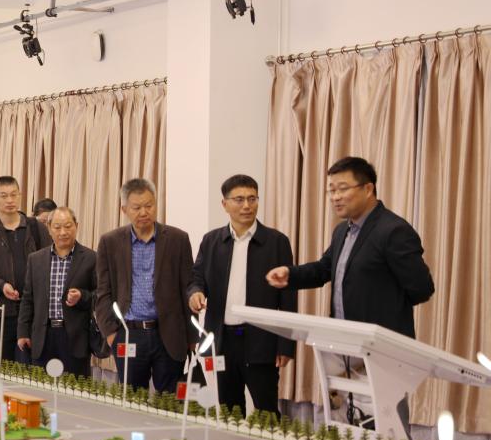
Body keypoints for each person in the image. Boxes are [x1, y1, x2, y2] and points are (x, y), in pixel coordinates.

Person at [265, 156, 434, 337]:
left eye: (343, 189)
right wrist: (290, 274)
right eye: (332, 190)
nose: (335, 197)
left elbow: (422, 288)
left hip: (380, 342)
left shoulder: (393, 230)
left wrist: (386, 308)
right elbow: (324, 268)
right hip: (343, 339)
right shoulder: (341, 231)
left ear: (368, 189)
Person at [187, 175, 296, 416]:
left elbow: (288, 297)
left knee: (267, 412)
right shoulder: (212, 241)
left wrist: (286, 344)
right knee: (229, 411)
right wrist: (195, 293)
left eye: (252, 199)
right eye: (239, 199)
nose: (247, 205)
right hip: (222, 340)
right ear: (224, 204)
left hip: (262, 340)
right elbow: (196, 278)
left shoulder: (276, 242)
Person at [94, 178, 195, 394]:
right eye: (137, 207)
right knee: (132, 400)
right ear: (124, 209)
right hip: (129, 333)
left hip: (168, 334)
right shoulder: (110, 242)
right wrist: (111, 335)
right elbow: (103, 293)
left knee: (170, 401)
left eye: (149, 205)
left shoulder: (177, 239)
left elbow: (187, 288)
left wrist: (192, 338)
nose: (144, 212)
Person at [0, 176, 52, 364]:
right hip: (0, 312)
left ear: (20, 195)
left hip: (32, 312)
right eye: (4, 195)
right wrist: (0, 285)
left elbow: (49, 263)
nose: (10, 200)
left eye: (14, 195)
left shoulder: (36, 228)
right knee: (3, 367)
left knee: (33, 367)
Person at [17, 207, 96, 375]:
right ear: (49, 228)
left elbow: (101, 296)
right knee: (40, 387)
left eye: (68, 226)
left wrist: (82, 296)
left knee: (75, 388)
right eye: (57, 227)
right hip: (43, 336)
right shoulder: (36, 259)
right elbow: (28, 299)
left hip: (75, 337)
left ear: (76, 226)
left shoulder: (91, 258)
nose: (63, 232)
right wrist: (23, 332)